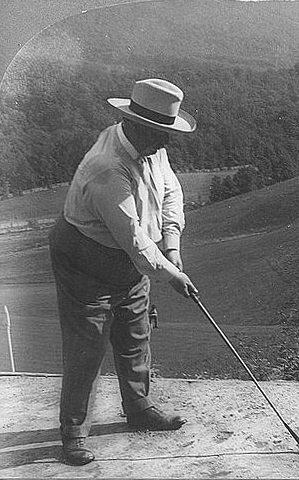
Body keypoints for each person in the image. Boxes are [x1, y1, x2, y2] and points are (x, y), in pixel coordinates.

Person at [49, 78, 198, 466]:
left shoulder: (150, 144)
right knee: (88, 346)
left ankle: (139, 408)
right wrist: (172, 275)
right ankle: (73, 434)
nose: (167, 142)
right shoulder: (107, 168)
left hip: (130, 259)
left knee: (135, 333)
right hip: (85, 258)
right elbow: (133, 239)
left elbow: (170, 193)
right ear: (136, 124)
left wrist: (173, 245)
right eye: (161, 133)